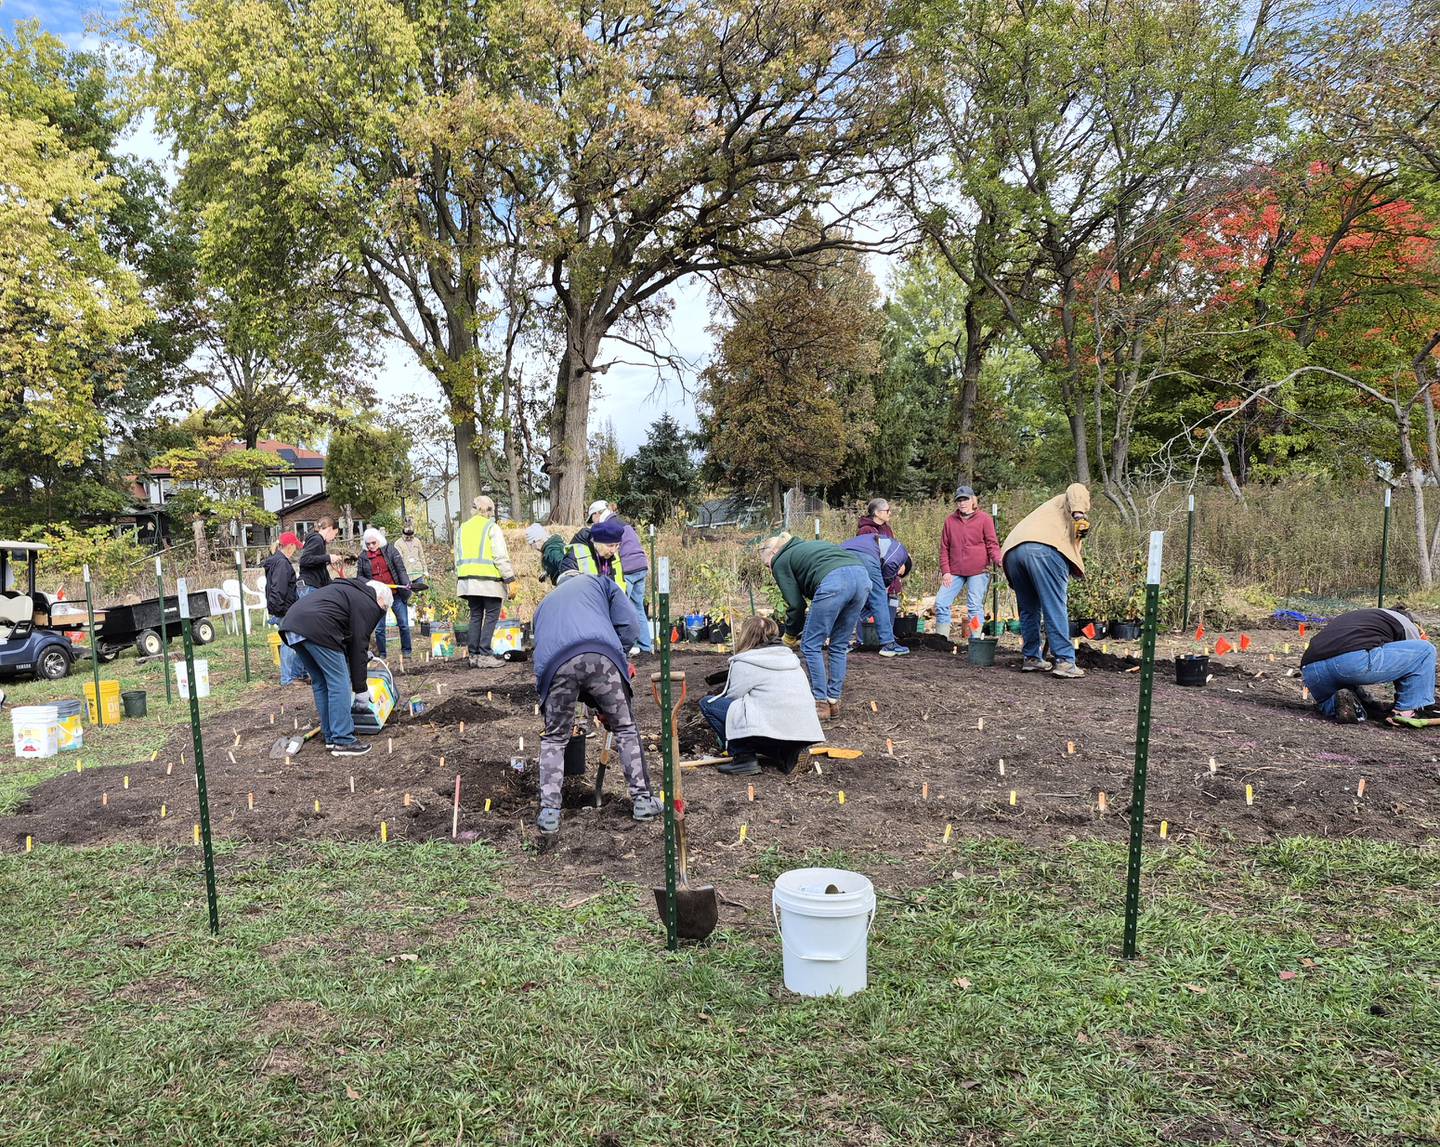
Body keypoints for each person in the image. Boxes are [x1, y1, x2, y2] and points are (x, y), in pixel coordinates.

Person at [531, 569, 661, 835]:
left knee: (555, 738)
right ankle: (643, 801)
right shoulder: (600, 582)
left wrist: (594, 702)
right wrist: (619, 658)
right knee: (624, 727)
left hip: (555, 667)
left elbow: (550, 652)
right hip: (601, 655)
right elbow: (630, 625)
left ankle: (549, 814)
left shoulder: (543, 606)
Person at [761, 533, 871, 719]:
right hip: (862, 578)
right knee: (838, 645)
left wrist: (790, 635)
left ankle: (820, 704)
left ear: (774, 551)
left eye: (767, 565)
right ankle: (833, 702)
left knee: (810, 645)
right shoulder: (809, 547)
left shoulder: (780, 560)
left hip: (835, 581)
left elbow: (796, 605)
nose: (770, 570)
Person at [699, 616, 826, 776]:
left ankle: (743, 757)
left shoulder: (745, 661)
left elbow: (733, 697)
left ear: (746, 636)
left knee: (709, 704)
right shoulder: (791, 659)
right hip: (804, 731)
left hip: (773, 728)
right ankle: (788, 753)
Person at [279, 578, 391, 756]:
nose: (380, 613)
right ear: (381, 600)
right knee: (339, 682)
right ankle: (343, 740)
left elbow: (345, 631)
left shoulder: (349, 591)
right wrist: (360, 689)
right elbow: (358, 645)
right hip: (317, 628)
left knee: (321, 682)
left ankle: (330, 736)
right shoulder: (369, 603)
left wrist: (359, 655)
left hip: (292, 624)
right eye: (383, 609)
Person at [1000, 483, 1091, 679]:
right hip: (1042, 549)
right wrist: (1080, 515)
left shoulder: (1046, 513)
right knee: (1054, 605)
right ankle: (1065, 661)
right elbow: (1076, 487)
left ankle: (1032, 658)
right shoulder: (1069, 500)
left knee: (1029, 608)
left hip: (1012, 552)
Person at [1300, 607, 1438, 724]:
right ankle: (1405, 713)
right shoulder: (1405, 622)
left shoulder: (1364, 616)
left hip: (1311, 670)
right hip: (1349, 663)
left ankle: (1337, 705)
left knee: (1336, 699)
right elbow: (1413, 664)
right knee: (1426, 650)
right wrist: (1411, 701)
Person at [583, 501, 653, 655]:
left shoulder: (609, 527)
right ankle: (646, 647)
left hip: (627, 568)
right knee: (638, 607)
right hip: (641, 566)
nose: (593, 523)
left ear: (597, 514)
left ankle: (624, 647)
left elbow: (615, 554)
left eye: (592, 518)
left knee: (621, 609)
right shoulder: (623, 523)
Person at [454, 495, 515, 668]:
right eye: (492, 510)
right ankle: (485, 654)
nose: (492, 514)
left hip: (467, 581)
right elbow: (499, 555)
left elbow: (457, 556)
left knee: (475, 615)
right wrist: (509, 578)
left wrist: (461, 577)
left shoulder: (462, 528)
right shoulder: (491, 528)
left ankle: (473, 655)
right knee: (491, 615)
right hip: (489, 581)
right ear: (486, 510)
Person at [935, 486, 1002, 638]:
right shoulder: (950, 521)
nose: (962, 503)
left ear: (973, 500)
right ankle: (941, 640)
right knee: (941, 602)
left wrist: (999, 560)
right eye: (959, 500)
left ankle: (976, 638)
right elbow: (944, 548)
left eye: (965, 499)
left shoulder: (985, 519)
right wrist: (946, 571)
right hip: (954, 571)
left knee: (974, 606)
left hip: (978, 571)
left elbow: (992, 544)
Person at [840, 532, 913, 656]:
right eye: (901, 573)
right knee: (879, 598)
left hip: (840, 554)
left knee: (848, 598)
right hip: (864, 555)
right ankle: (888, 644)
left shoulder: (880, 542)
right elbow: (889, 568)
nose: (898, 575)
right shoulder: (901, 552)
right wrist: (885, 584)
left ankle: (841, 644)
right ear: (905, 564)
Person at [357, 527, 413, 659]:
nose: (371, 546)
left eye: (373, 543)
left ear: (379, 541)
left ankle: (407, 651)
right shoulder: (363, 557)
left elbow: (400, 569)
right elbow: (359, 577)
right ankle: (382, 654)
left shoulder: (390, 550)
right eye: (368, 544)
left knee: (404, 624)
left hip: (396, 593)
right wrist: (372, 584)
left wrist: (406, 585)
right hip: (378, 597)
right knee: (380, 628)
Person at [262, 532, 309, 686]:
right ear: (289, 546)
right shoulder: (281, 563)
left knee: (294, 641)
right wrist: (280, 610)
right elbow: (278, 588)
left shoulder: (278, 561)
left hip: (284, 608)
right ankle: (287, 679)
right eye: (294, 546)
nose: (295, 550)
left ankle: (296, 675)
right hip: (284, 609)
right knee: (289, 643)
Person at [856, 497, 903, 623]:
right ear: (877, 513)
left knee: (890, 613)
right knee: (870, 618)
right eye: (887, 510)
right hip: (875, 580)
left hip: (890, 580)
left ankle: (888, 640)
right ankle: (864, 642)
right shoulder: (865, 530)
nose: (890, 513)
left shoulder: (887, 529)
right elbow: (867, 557)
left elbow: (893, 550)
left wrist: (901, 563)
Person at [561, 515, 625, 585]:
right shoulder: (574, 557)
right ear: (597, 543)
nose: (613, 550)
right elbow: (568, 590)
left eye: (617, 545)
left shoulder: (614, 555)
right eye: (610, 545)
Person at [297, 516, 341, 594]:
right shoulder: (317, 539)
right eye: (335, 534)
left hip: (309, 586)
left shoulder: (317, 540)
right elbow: (304, 560)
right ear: (330, 529)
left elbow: (316, 563)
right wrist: (328, 557)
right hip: (309, 587)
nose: (334, 538)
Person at [393, 521, 429, 589]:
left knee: (420, 592)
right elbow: (397, 559)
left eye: (411, 537)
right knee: (409, 594)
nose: (409, 538)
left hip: (418, 572)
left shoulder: (417, 541)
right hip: (406, 573)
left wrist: (425, 570)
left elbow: (421, 556)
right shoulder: (398, 543)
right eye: (407, 537)